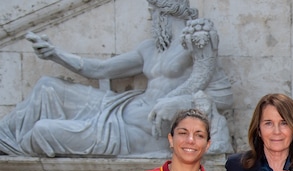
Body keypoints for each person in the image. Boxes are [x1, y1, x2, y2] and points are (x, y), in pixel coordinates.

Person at [0, 0, 232, 157]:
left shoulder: (197, 43)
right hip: (120, 106)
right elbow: (101, 69)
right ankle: (3, 138)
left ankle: (14, 147)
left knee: (43, 131)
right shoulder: (150, 48)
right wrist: (56, 55)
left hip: (133, 131)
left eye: (152, 12)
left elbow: (223, 97)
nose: (151, 19)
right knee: (47, 87)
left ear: (163, 13)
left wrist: (179, 103)